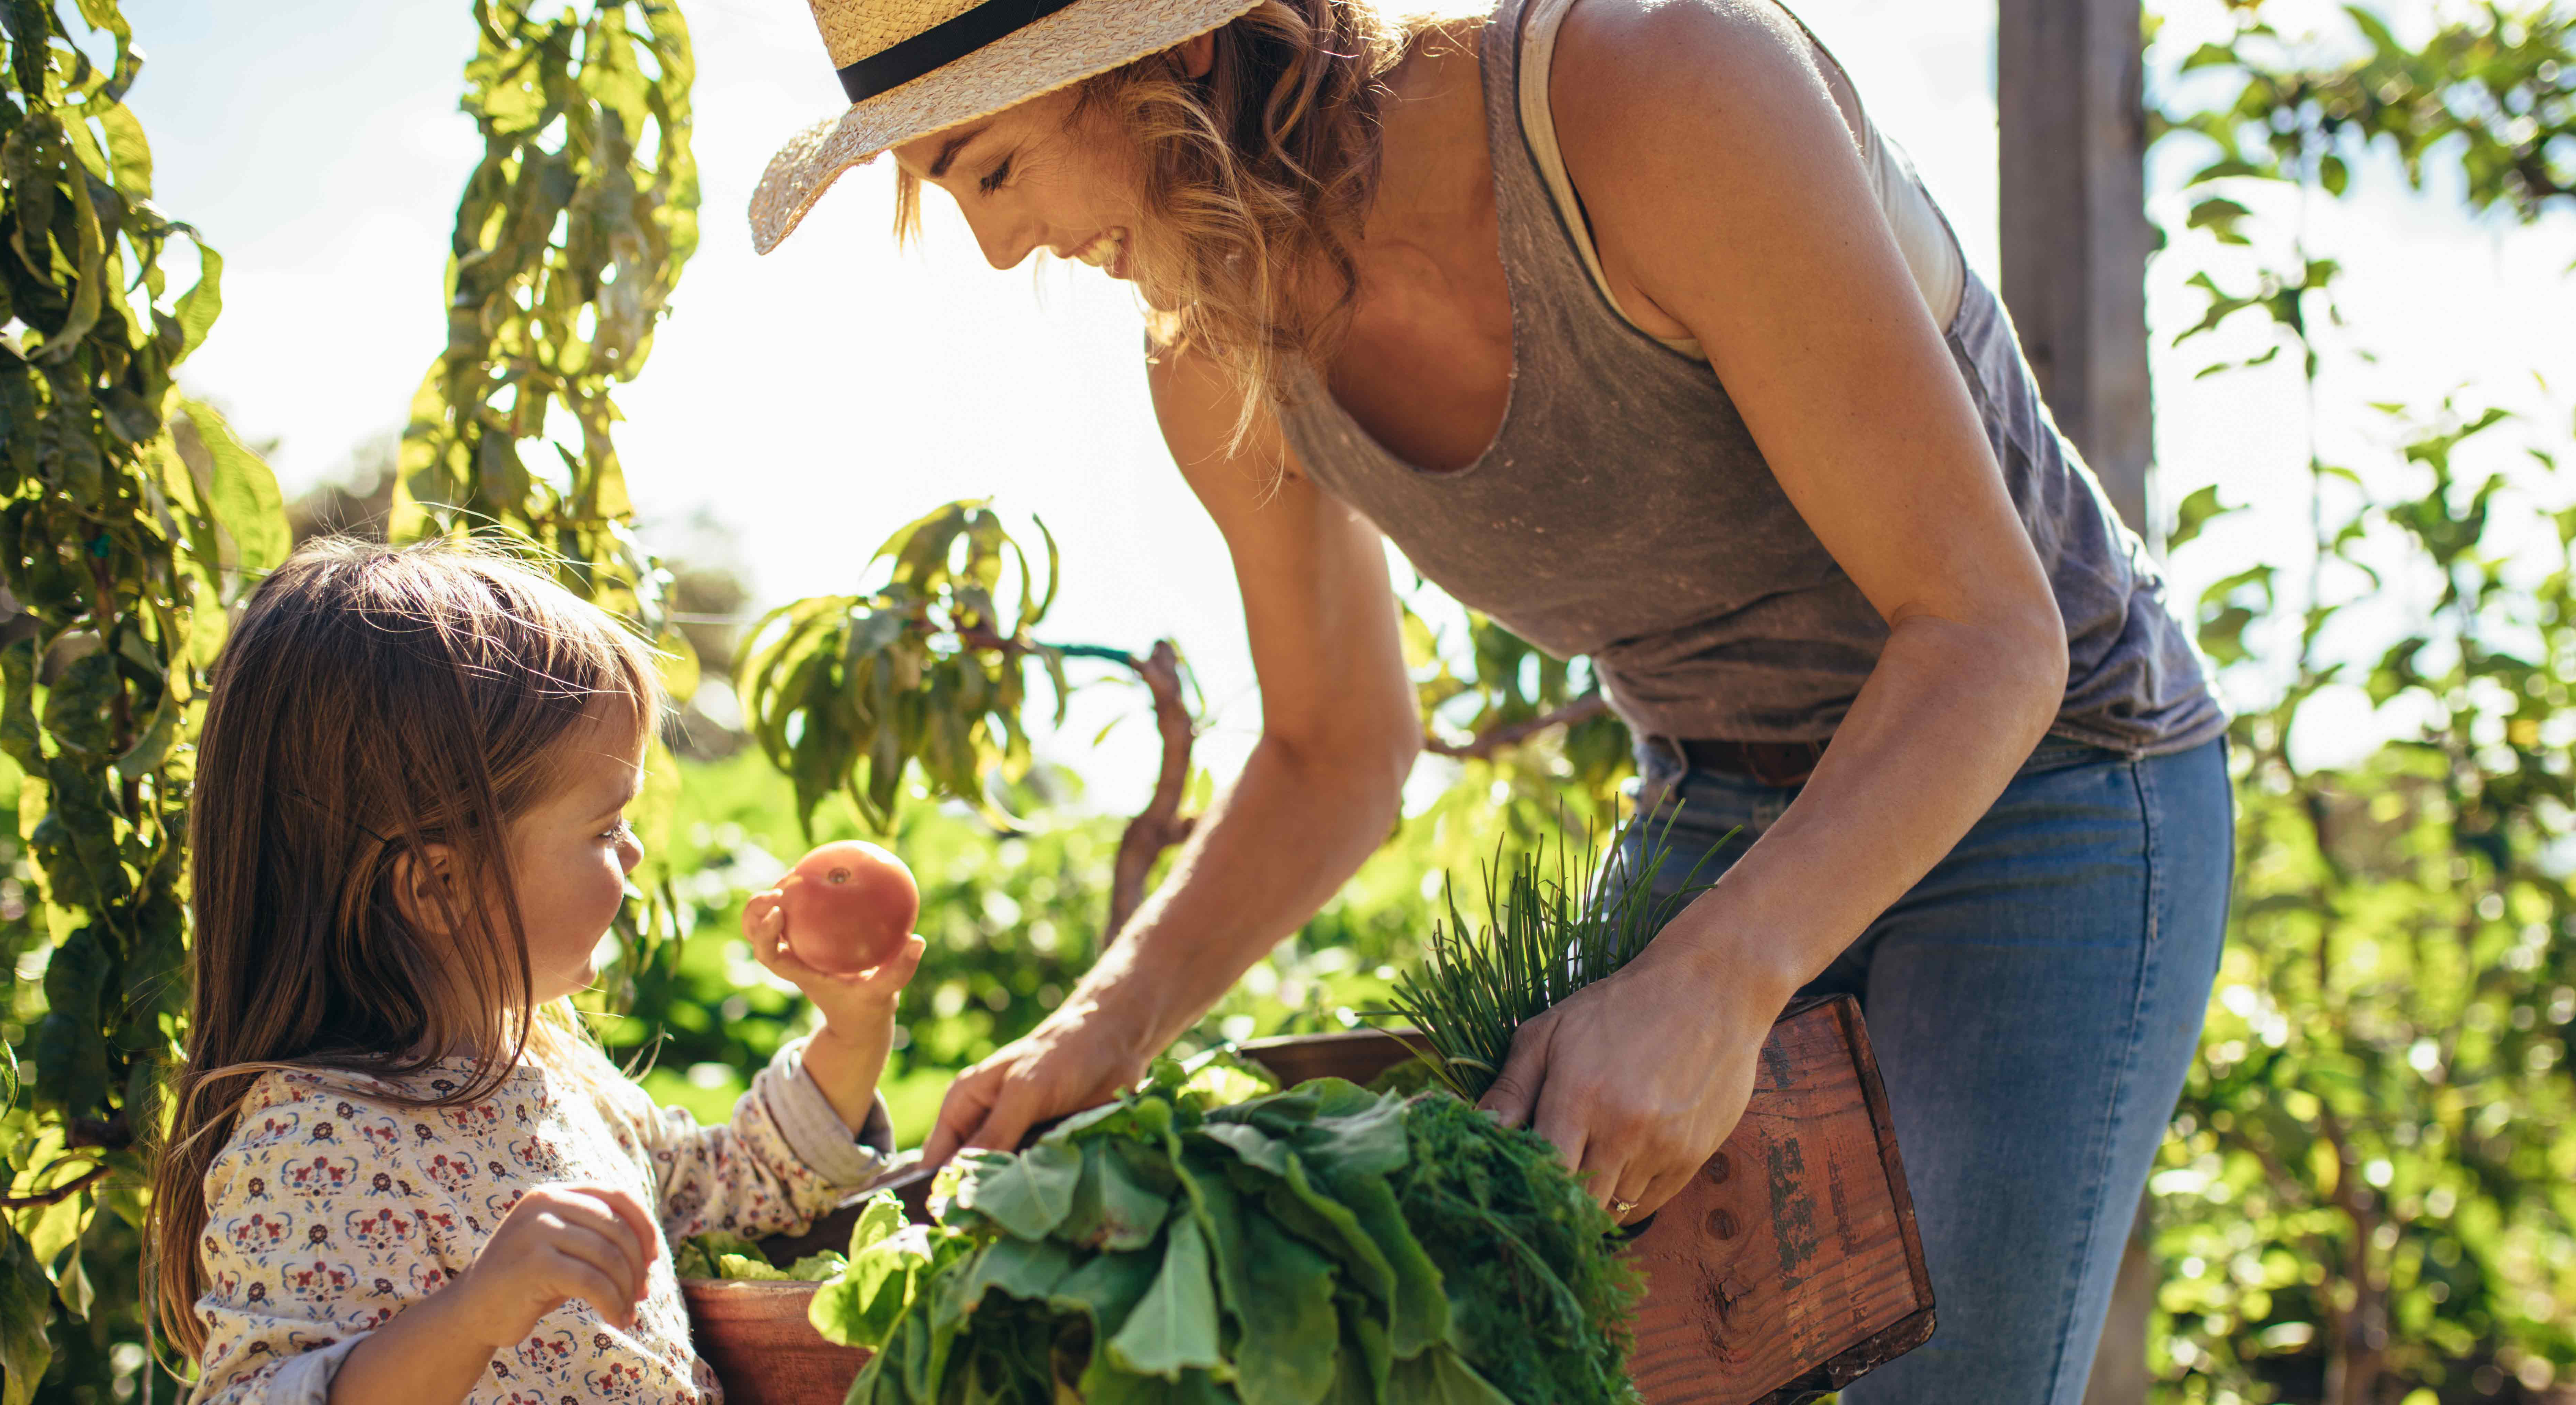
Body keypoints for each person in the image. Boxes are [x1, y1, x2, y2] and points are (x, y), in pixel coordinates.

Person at [750, 0, 2232, 1394]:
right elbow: (1339, 746)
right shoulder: (1215, 351)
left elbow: (1987, 636)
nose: (1004, 249)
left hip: (2058, 778)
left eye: (993, 167)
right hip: (1719, 791)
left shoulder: (1658, 90)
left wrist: (1715, 981)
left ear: (1182, 46)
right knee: (1562, 1344)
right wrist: (1107, 1022)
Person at [146, 540, 922, 1404]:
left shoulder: (557, 1083)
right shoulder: (316, 1140)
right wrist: (473, 1315)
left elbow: (731, 1186)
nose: (632, 849)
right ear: (440, 884)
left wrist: (854, 1028)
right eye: (602, 828)